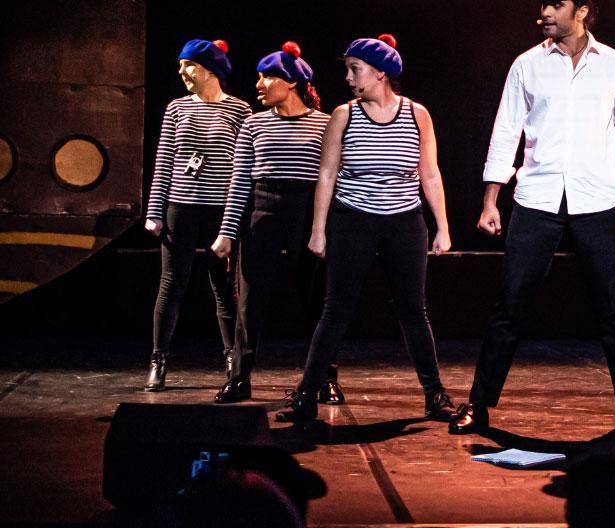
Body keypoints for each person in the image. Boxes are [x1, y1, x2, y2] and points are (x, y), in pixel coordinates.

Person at [448, 0, 615, 434]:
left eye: (556, 4)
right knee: (510, 304)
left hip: (597, 199)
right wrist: (490, 199)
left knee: (613, 308)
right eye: (543, 4)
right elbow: (505, 132)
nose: (544, 12)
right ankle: (478, 403)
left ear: (582, 10)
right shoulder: (526, 65)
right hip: (537, 197)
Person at [276, 34, 456, 421]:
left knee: (414, 311)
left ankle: (435, 394)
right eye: (347, 69)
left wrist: (442, 226)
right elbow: (327, 174)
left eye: (355, 69)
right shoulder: (344, 115)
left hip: (404, 221)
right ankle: (306, 394)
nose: (348, 77)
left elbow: (430, 173)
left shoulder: (417, 114)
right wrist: (319, 229)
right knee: (335, 310)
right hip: (353, 219)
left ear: (381, 73)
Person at [209, 42, 342, 404]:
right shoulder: (253, 124)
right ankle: (239, 377)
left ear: (292, 82)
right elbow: (239, 181)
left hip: (308, 210)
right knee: (249, 300)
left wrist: (331, 228)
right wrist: (227, 232)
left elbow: (336, 177)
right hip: (263, 208)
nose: (259, 84)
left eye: (267, 77)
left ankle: (325, 376)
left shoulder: (326, 123)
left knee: (316, 298)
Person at [144, 39, 250, 392]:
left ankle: (233, 359)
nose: (182, 72)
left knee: (224, 288)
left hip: (220, 211)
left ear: (207, 69)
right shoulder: (176, 108)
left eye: (187, 65)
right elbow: (164, 161)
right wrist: (155, 211)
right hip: (181, 208)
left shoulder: (240, 110)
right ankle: (158, 360)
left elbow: (242, 170)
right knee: (171, 284)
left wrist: (231, 223)